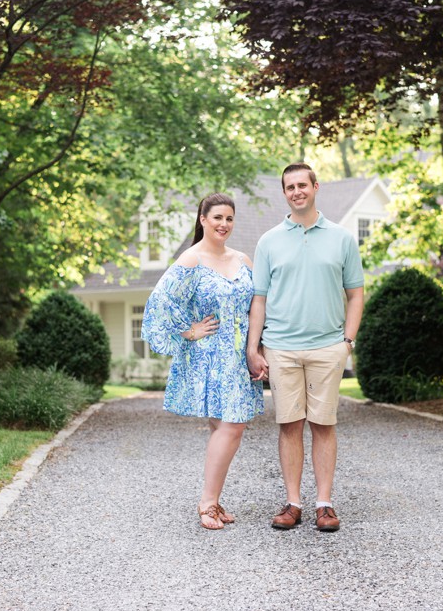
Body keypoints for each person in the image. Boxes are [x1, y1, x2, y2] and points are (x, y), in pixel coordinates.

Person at [246, 163, 364, 533]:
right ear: (284, 193)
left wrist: (347, 342)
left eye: (302, 185)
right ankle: (293, 503)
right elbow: (259, 299)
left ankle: (324, 504)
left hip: (328, 347)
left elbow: (356, 294)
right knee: (289, 425)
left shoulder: (342, 238)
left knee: (323, 424)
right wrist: (255, 348)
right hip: (280, 347)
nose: (296, 191)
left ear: (316, 187)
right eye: (289, 187)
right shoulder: (269, 241)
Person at [142, 193, 265, 530]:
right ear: (203, 219)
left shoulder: (242, 259)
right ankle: (207, 503)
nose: (223, 224)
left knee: (224, 428)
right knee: (232, 427)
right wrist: (189, 332)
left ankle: (215, 499)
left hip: (238, 356)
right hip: (208, 359)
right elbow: (158, 305)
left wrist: (256, 348)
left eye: (229, 218)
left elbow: (258, 302)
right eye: (217, 218)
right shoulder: (191, 260)